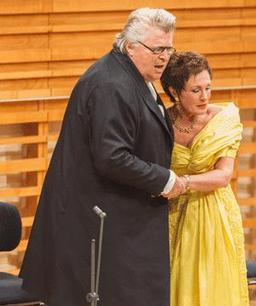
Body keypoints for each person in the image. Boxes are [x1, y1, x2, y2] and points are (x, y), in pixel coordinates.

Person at [19, 8, 186, 306]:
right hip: (100, 225)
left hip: (122, 222)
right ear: (130, 45)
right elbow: (112, 157)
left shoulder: (133, 75)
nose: (164, 57)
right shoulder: (112, 84)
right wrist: (165, 180)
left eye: (168, 48)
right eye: (157, 49)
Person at [160, 51, 249, 306]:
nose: (205, 96)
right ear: (175, 92)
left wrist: (184, 183)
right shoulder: (161, 121)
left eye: (208, 87)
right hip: (171, 215)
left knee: (214, 288)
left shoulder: (224, 120)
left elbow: (223, 176)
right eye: (196, 90)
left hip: (214, 214)